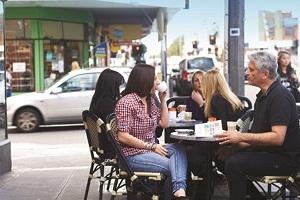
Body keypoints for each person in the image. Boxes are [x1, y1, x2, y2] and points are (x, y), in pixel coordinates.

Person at [215, 51, 300, 200]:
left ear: (265, 74)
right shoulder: (262, 96)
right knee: (222, 159)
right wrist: (233, 147)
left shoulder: (279, 96)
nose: (247, 72)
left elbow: (277, 138)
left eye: (251, 69)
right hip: (266, 153)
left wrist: (239, 136)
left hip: (283, 159)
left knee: (235, 163)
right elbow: (256, 136)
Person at [115, 64, 189, 200]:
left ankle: (179, 192)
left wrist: (163, 100)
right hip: (132, 155)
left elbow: (164, 124)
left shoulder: (150, 101)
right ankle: (179, 193)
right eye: (154, 78)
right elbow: (122, 136)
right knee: (175, 167)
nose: (157, 82)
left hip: (150, 150)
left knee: (178, 148)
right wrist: (151, 146)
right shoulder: (126, 102)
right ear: (144, 80)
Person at [89, 68, 125, 158]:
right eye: (119, 86)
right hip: (111, 148)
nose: (119, 88)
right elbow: (118, 126)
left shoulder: (98, 100)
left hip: (101, 146)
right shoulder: (107, 104)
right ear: (112, 85)